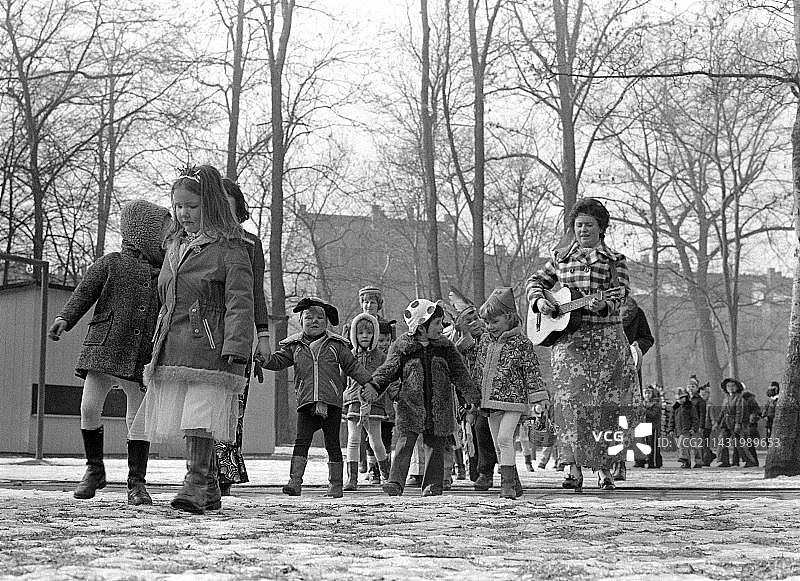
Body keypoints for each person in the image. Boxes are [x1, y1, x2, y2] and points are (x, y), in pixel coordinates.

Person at [128, 164, 254, 514]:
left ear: (210, 205)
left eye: (192, 206)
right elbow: (167, 300)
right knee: (189, 414)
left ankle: (196, 483)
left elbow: (240, 302)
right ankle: (209, 487)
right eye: (178, 206)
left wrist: (237, 346)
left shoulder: (232, 248)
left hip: (212, 347)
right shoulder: (174, 247)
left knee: (199, 413)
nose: (183, 213)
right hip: (175, 343)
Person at [48, 200, 171, 505]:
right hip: (105, 346)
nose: (166, 240)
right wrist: (65, 317)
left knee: (138, 416)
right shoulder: (111, 263)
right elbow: (84, 292)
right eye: (162, 234)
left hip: (143, 352)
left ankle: (136, 482)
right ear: (143, 233)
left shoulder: (166, 272)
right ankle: (94, 469)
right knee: (89, 406)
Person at [525, 197, 639, 492]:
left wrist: (604, 305)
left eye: (589, 225)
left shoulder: (615, 260)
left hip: (606, 343)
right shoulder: (561, 258)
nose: (583, 230)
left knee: (606, 406)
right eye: (578, 225)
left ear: (601, 228)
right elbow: (534, 282)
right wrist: (541, 301)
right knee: (569, 406)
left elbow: (621, 296)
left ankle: (605, 470)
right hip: (569, 344)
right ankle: (572, 469)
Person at [363, 299, 480, 497]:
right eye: (436, 323)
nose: (441, 327)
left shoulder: (446, 348)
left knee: (435, 447)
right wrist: (374, 386)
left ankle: (433, 486)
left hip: (439, 408)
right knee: (404, 446)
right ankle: (395, 482)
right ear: (421, 326)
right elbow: (388, 370)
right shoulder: (403, 347)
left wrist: (470, 397)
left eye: (442, 322)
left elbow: (460, 374)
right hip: (411, 407)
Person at [262, 297, 373, 497]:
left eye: (319, 318)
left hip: (331, 402)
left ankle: (336, 485)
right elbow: (278, 361)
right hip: (306, 403)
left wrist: (370, 383)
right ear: (302, 320)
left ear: (327, 321)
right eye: (309, 317)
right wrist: (264, 359)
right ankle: (295, 482)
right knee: (301, 442)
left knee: (332, 443)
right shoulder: (294, 345)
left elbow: (353, 366)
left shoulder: (337, 344)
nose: (314, 321)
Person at [213, 178, 272, 496]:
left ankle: (224, 472)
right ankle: (201, 470)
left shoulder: (251, 244)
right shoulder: (201, 240)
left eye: (227, 199)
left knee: (235, 404)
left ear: (237, 204)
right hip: (203, 332)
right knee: (205, 402)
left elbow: (255, 294)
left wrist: (263, 336)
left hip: (240, 335)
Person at [474, 287, 549, 499]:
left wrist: (538, 397)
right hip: (490, 401)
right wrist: (473, 396)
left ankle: (506, 485)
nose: (490, 327)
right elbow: (479, 369)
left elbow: (531, 370)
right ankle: (514, 483)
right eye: (487, 323)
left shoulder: (522, 343)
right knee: (498, 443)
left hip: (514, 400)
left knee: (505, 438)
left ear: (509, 318)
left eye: (494, 322)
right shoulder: (486, 341)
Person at [342, 312, 391, 491]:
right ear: (354, 334)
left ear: (374, 335)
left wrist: (386, 399)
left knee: (375, 440)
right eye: (361, 333)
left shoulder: (380, 357)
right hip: (353, 401)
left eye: (368, 333)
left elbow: (387, 379)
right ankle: (352, 478)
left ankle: (387, 474)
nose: (365, 336)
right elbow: (343, 379)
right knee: (353, 440)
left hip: (374, 404)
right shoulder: (349, 355)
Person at [614, 295, 654, 481]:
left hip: (629, 369)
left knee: (626, 418)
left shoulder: (637, 313)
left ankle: (620, 464)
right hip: (603, 370)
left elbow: (648, 338)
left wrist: (639, 345)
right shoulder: (598, 310)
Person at [672, 387, 699, 469]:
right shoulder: (676, 408)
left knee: (683, 444)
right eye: (678, 398)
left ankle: (684, 459)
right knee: (682, 446)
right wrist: (670, 429)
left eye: (682, 398)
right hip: (678, 431)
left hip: (686, 430)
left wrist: (694, 428)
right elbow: (672, 420)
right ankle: (687, 462)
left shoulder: (690, 407)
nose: (680, 400)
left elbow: (695, 419)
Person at [640, 385, 662, 468]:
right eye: (645, 393)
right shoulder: (642, 403)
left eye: (649, 393)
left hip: (653, 427)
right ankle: (641, 461)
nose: (647, 395)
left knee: (653, 445)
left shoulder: (656, 403)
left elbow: (653, 414)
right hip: (643, 426)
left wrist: (644, 410)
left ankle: (653, 462)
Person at [742, 389, 761, 467]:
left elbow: (756, 412)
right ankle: (752, 461)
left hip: (749, 425)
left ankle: (752, 461)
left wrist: (751, 419)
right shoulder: (748, 399)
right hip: (749, 424)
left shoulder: (748, 399)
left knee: (748, 443)